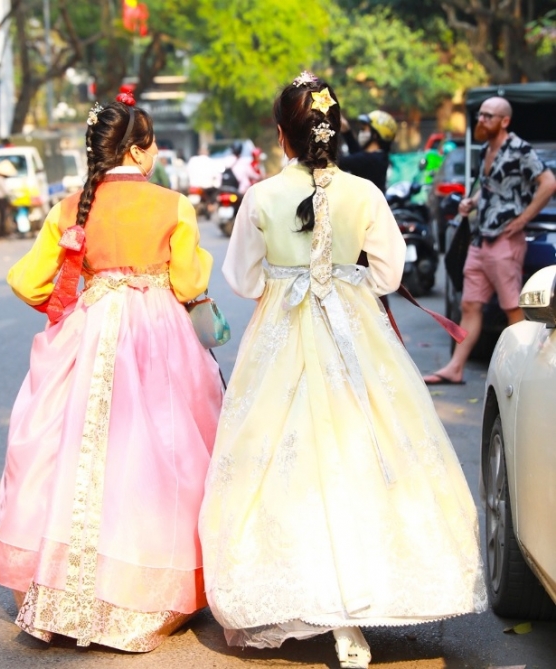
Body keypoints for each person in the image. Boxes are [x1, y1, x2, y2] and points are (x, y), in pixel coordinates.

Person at [199, 73, 486, 668]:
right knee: (371, 448)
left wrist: (289, 277)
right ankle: (366, 597)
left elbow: (244, 281)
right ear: (338, 130)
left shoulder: (260, 197)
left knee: (281, 455)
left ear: (283, 135)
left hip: (281, 333)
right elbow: (386, 275)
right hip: (356, 331)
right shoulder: (365, 192)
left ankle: (314, 599)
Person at [0, 96, 223, 651]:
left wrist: (81, 299)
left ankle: (63, 586)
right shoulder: (172, 205)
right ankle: (144, 588)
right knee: (155, 459)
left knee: (70, 453)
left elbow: (28, 282)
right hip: (157, 334)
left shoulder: (70, 206)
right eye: (153, 142)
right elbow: (191, 286)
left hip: (87, 331)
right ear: (139, 148)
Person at [424, 96, 556, 385]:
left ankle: (524, 373)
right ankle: (455, 367)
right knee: (470, 305)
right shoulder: (486, 149)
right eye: (481, 115)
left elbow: (548, 183)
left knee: (512, 307)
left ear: (504, 120)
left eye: (488, 116)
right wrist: (471, 201)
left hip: (505, 242)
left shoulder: (519, 149)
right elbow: (490, 187)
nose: (481, 120)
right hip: (481, 240)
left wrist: (522, 220)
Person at [337, 110, 397, 193]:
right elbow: (358, 156)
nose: (361, 132)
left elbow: (340, 162)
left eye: (364, 129)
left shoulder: (373, 160)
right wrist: (346, 132)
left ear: (375, 135)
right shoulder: (379, 157)